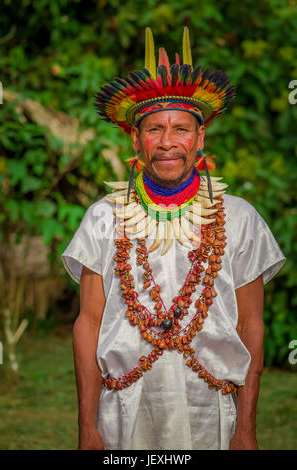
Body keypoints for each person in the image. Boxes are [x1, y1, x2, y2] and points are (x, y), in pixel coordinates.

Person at [62, 28, 286, 450]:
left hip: (212, 411)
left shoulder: (239, 218)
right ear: (135, 139)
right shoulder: (103, 219)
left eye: (181, 129)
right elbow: (88, 324)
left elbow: (250, 323)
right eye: (154, 129)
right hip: (124, 411)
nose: (167, 142)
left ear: (199, 138)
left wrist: (247, 427)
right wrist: (87, 426)